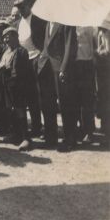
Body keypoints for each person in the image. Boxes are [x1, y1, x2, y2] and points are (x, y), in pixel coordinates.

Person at [9, 0, 46, 136]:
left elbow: (43, 40)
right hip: (24, 62)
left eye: (23, 6)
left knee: (37, 97)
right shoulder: (19, 23)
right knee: (27, 96)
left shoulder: (37, 20)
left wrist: (41, 56)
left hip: (37, 58)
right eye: (19, 7)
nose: (22, 9)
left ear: (29, 6)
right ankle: (30, 128)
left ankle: (38, 127)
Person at [38, 22, 78, 151]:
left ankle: (69, 140)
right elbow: (46, 45)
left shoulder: (66, 22)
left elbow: (70, 46)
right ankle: (51, 138)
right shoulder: (47, 23)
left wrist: (64, 68)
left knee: (65, 104)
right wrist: (41, 59)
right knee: (47, 104)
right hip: (46, 67)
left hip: (60, 68)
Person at [0, 27, 32, 150]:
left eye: (9, 36)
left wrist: (8, 70)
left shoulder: (22, 51)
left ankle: (25, 138)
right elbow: (1, 65)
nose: (6, 40)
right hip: (7, 86)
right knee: (10, 110)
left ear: (15, 37)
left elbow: (22, 72)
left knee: (20, 110)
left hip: (18, 87)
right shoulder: (6, 52)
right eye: (4, 37)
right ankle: (16, 135)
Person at [74, 26, 96, 144]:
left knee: (86, 99)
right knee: (76, 99)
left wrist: (92, 63)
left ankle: (89, 131)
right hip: (73, 64)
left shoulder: (88, 25)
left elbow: (93, 46)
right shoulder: (69, 25)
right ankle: (80, 129)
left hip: (86, 64)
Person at [96, 25, 110, 148]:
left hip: (106, 69)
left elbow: (107, 51)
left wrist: (101, 51)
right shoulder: (101, 32)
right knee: (104, 99)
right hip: (103, 70)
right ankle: (105, 129)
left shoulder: (106, 32)